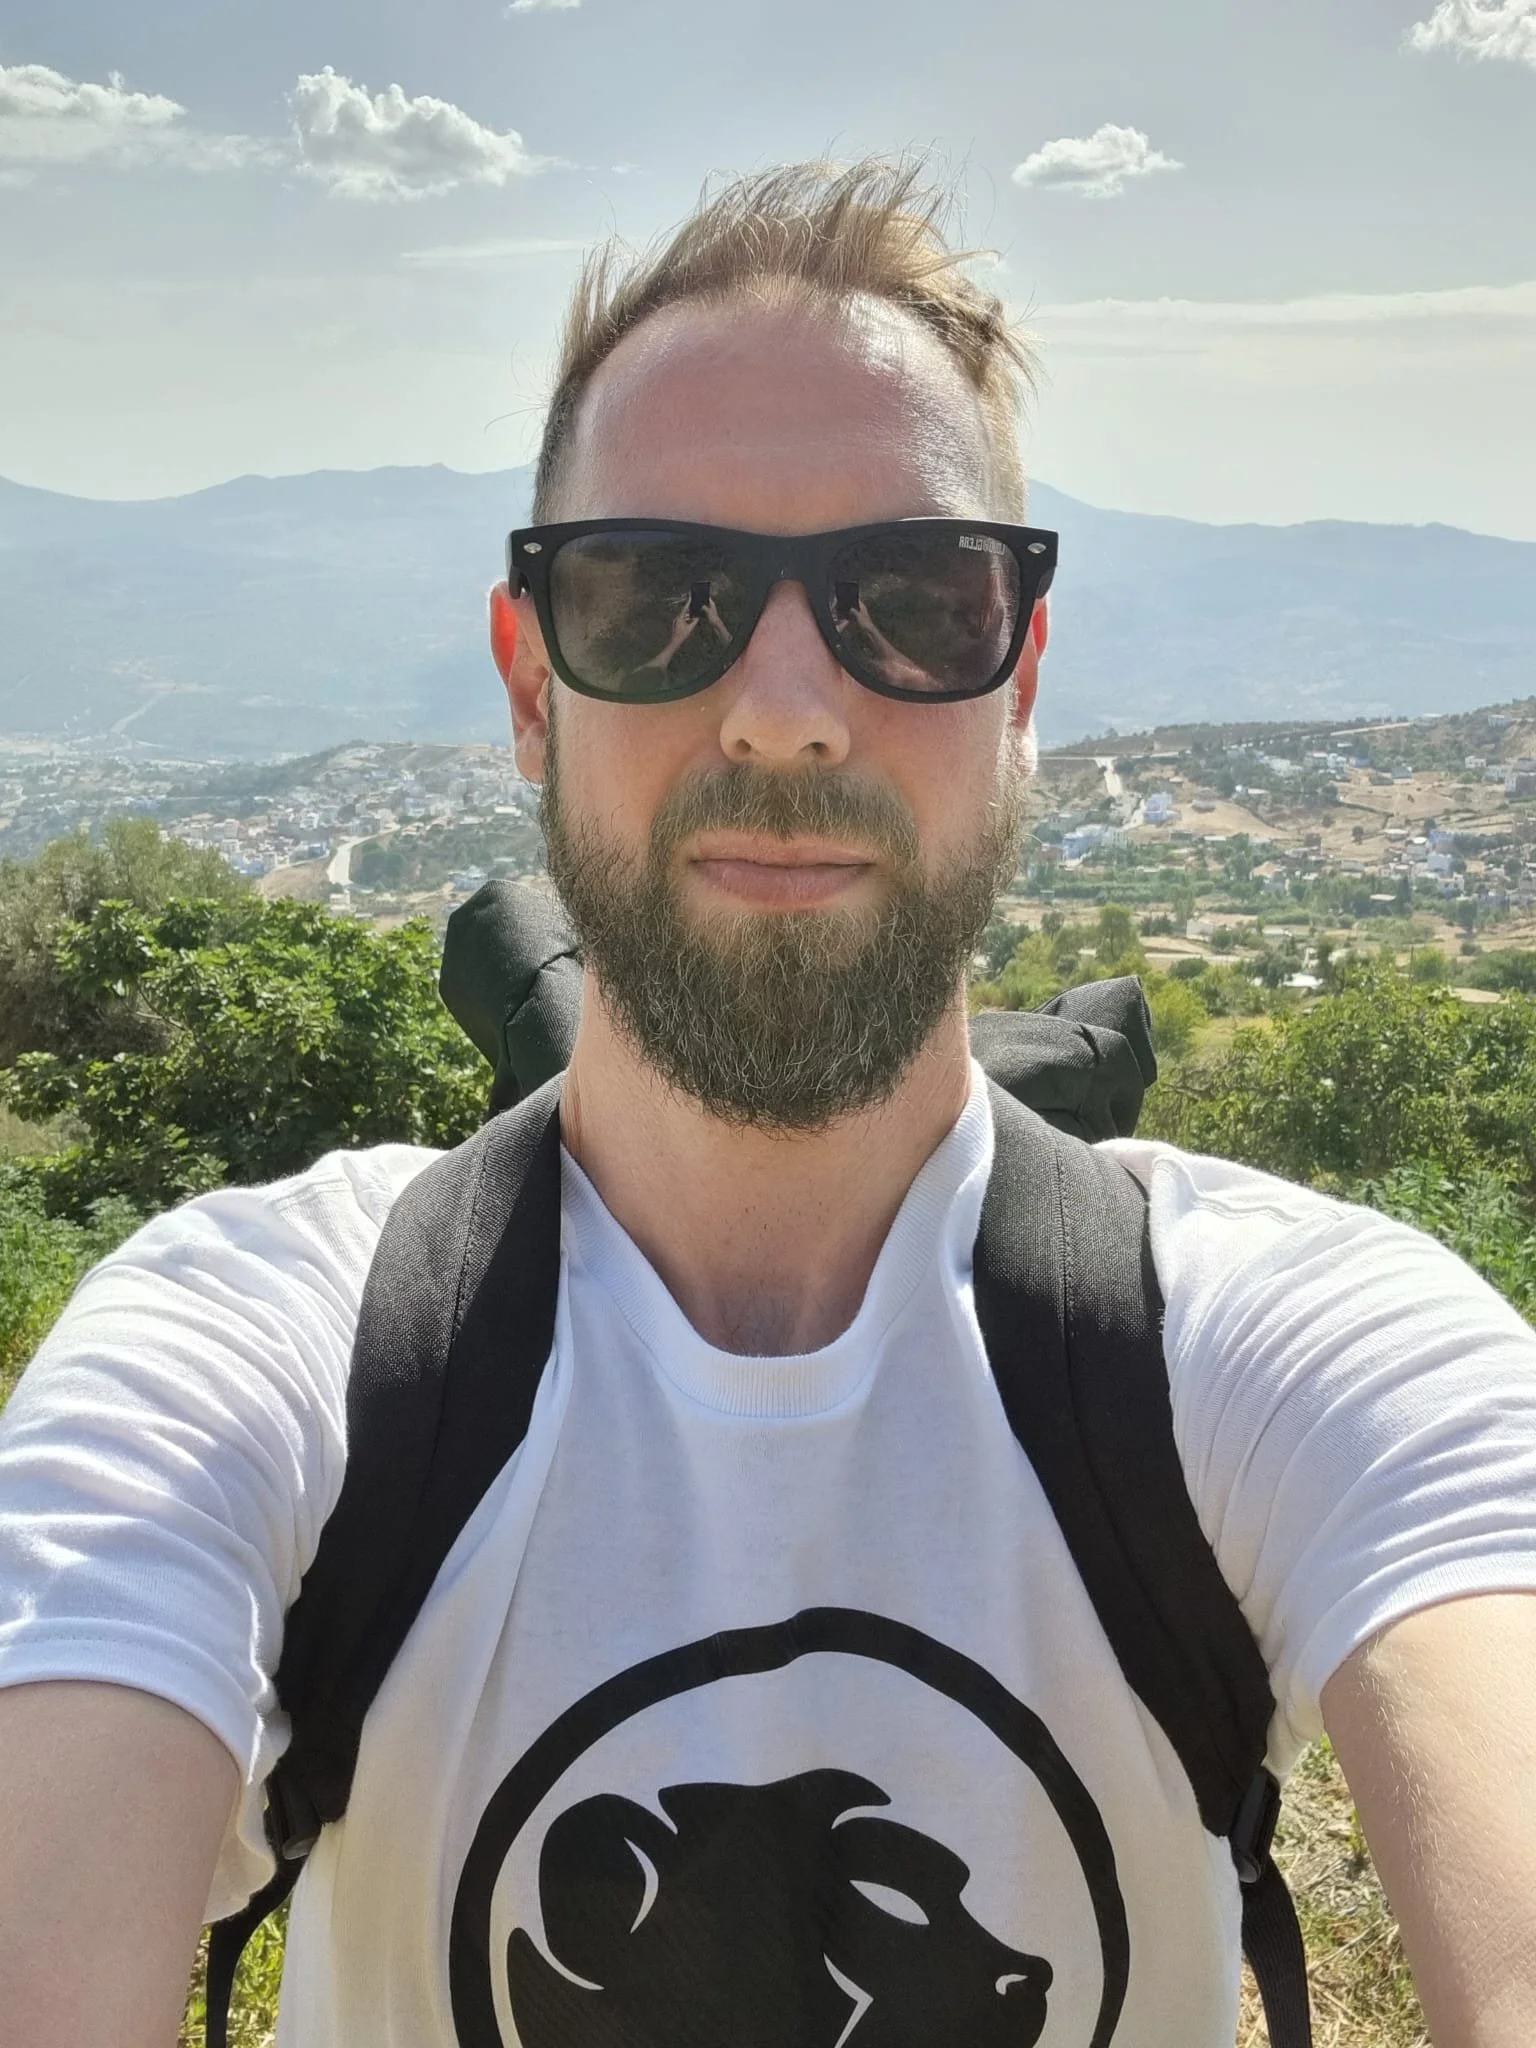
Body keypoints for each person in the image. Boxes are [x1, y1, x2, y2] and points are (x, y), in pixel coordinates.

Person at [2, 158, 1535, 2048]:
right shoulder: (258, 1356)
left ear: (1022, 675)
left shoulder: (1293, 1358)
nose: (788, 707)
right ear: (528, 682)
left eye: (912, 598)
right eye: (659, 598)